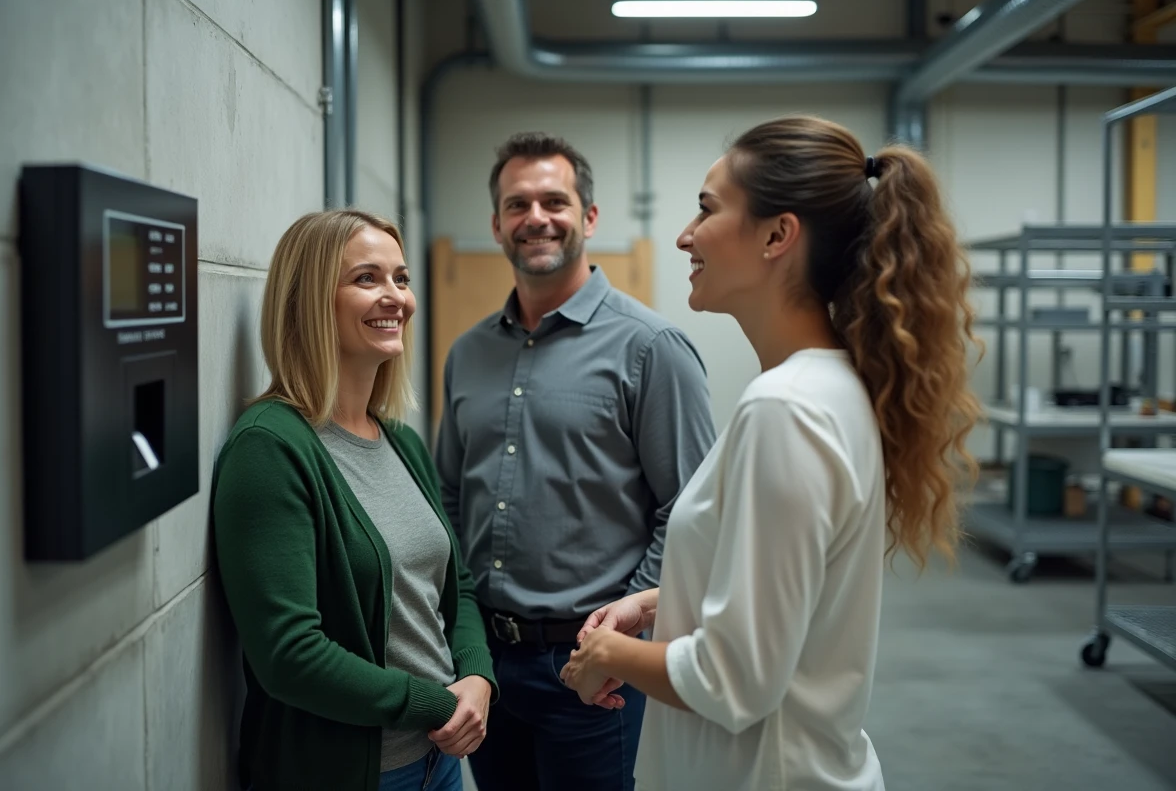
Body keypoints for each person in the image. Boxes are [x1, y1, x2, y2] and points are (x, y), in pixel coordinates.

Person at [560, 115, 983, 791]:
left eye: (705, 209)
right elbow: (787, 597)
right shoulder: (828, 387)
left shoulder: (784, 409)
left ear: (778, 235)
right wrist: (658, 604)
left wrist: (606, 654)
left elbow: (736, 681)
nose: (684, 236)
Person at [433, 131, 717, 790]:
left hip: (590, 667)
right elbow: (450, 495)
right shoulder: (467, 354)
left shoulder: (651, 349)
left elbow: (692, 511)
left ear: (589, 217)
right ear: (497, 224)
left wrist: (615, 639)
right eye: (517, 204)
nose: (536, 218)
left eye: (554, 201)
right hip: (486, 664)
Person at [212, 210, 498, 791]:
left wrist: (476, 677)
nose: (395, 297)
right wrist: (433, 703)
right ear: (310, 300)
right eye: (367, 279)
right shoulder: (270, 447)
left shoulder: (402, 441)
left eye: (401, 278)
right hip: (351, 773)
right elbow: (290, 656)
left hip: (438, 763)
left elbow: (456, 587)